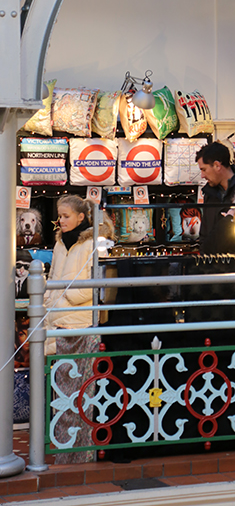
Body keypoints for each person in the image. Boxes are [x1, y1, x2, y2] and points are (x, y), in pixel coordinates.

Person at [44, 195, 114, 464]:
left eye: (65, 216)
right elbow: (52, 277)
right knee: (61, 390)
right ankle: (64, 445)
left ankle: (80, 450)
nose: (60, 221)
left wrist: (63, 295)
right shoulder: (60, 242)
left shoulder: (96, 243)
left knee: (80, 391)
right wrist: (51, 301)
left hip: (81, 323)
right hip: (58, 319)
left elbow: (96, 285)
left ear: (81, 217)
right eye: (59, 216)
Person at [196, 142, 235, 252]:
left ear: (217, 165)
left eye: (204, 169)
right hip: (214, 265)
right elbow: (205, 234)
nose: (202, 175)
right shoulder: (209, 194)